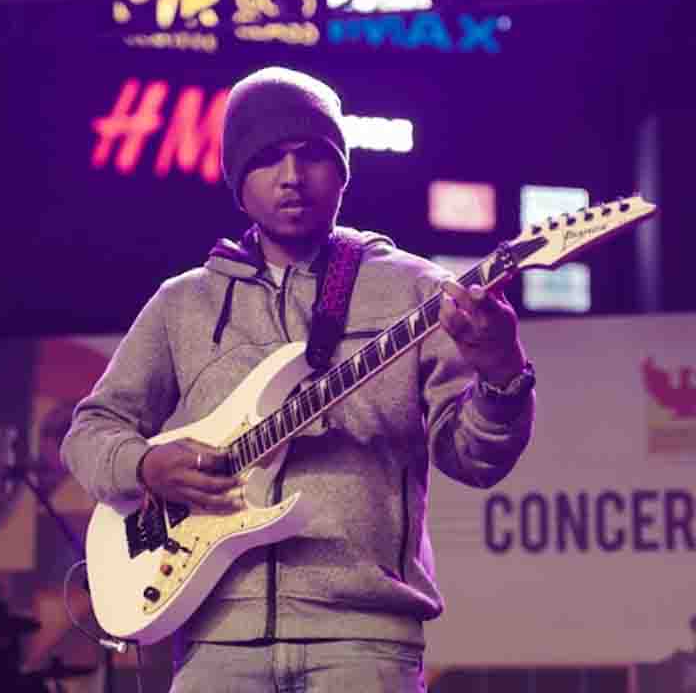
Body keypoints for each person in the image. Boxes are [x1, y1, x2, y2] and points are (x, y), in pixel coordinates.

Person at [61, 66, 536, 692]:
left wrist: (501, 371)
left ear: (342, 171)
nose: (292, 176)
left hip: (365, 640)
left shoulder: (418, 291)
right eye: (267, 159)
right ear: (238, 181)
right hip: (212, 638)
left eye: (312, 154)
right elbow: (91, 431)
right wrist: (145, 466)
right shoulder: (184, 303)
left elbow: (474, 459)